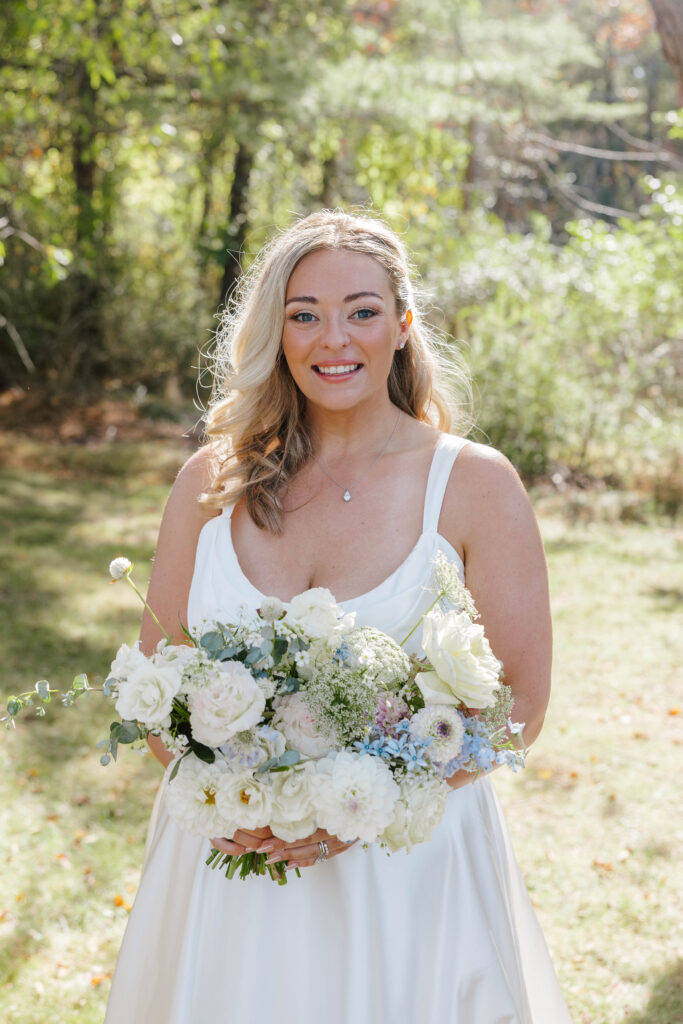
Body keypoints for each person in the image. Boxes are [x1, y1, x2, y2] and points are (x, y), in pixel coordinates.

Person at [104, 209, 572, 1023]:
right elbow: (158, 701)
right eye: (303, 315)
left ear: (402, 325)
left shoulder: (473, 485)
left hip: (405, 883)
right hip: (229, 875)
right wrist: (239, 799)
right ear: (275, 333)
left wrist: (362, 811)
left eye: (360, 311)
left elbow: (519, 707)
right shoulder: (209, 486)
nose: (334, 339)